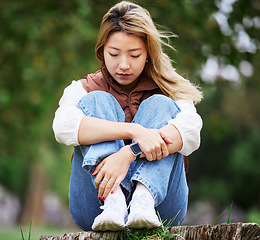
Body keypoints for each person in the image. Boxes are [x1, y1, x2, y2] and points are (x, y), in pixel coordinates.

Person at [52, 1, 203, 232]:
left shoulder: (172, 90)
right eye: (114, 53)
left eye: (134, 55)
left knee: (160, 105)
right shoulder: (83, 89)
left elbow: (191, 133)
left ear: (148, 54)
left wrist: (128, 154)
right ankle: (114, 199)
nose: (124, 65)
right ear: (102, 50)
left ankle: (143, 199)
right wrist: (133, 131)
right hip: (97, 206)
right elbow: (62, 127)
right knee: (97, 101)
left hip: (161, 208)